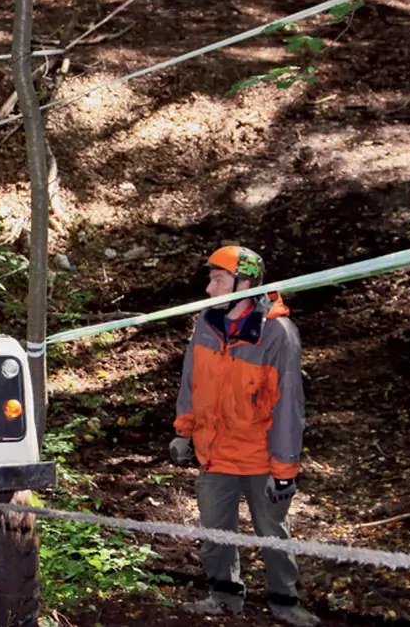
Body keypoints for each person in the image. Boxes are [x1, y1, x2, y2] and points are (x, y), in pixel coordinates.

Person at [170, 245, 320, 626]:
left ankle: (285, 602)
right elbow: (192, 382)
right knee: (214, 532)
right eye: (211, 279)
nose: (209, 289)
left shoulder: (277, 333)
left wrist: (284, 469)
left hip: (260, 456)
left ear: (244, 282)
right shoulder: (206, 323)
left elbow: (288, 405)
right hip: (215, 452)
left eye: (217, 280)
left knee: (273, 533)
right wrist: (183, 430)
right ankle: (223, 597)